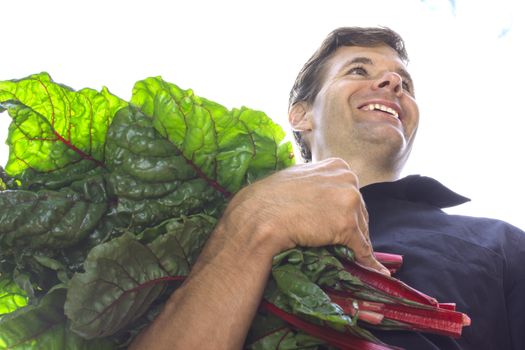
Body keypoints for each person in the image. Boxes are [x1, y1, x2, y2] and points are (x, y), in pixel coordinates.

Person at [129, 27, 525, 350]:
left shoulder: (501, 243)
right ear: (301, 115)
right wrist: (249, 226)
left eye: (404, 81)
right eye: (358, 70)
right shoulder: (212, 231)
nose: (392, 82)